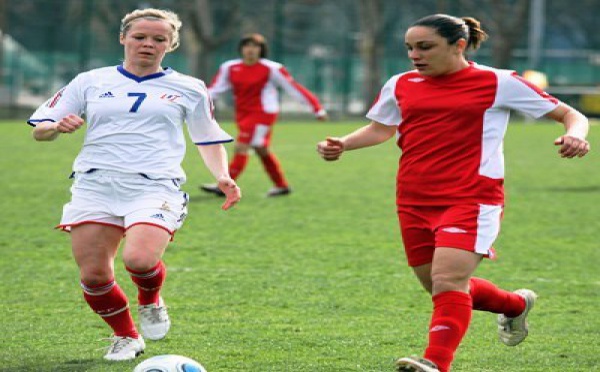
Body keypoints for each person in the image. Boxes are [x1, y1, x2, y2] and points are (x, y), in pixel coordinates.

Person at [317, 14, 590, 372]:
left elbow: (571, 114)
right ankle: (514, 305)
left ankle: (435, 363)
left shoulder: (499, 82)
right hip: (413, 200)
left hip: (472, 198)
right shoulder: (400, 83)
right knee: (442, 287)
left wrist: (576, 134)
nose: (415, 55)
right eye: (410, 48)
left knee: (448, 281)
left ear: (458, 45)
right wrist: (343, 144)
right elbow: (381, 129)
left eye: (425, 47)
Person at [28, 8, 241, 362]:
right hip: (95, 185)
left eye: (159, 39)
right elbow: (40, 130)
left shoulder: (189, 88)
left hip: (155, 186)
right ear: (123, 38)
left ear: (170, 45)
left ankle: (150, 300)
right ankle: (126, 337)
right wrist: (55, 127)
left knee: (140, 260)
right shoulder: (90, 81)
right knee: (95, 276)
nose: (148, 44)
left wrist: (222, 175)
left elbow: (207, 139)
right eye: (140, 37)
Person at [200, 33, 328, 197]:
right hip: (243, 113)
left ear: (262, 49)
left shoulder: (272, 68)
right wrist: (196, 103)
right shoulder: (229, 67)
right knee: (261, 149)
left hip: (263, 113)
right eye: (247, 45)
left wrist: (317, 108)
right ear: (241, 49)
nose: (251, 49)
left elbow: (293, 88)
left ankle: (225, 185)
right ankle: (281, 186)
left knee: (241, 145)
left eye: (255, 46)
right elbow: (215, 89)